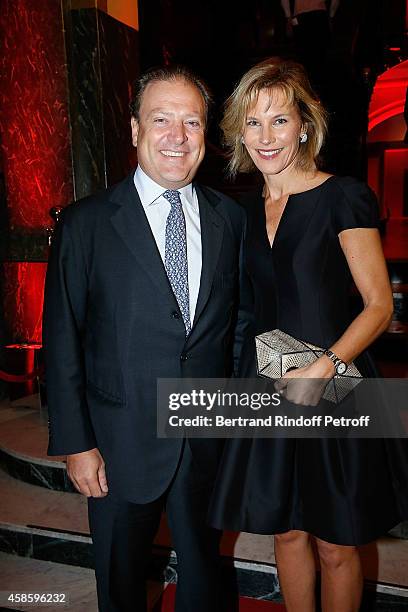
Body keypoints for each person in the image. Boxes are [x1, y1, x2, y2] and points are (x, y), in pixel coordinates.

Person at [43, 65, 250, 612]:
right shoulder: (85, 225)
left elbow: (237, 328)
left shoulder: (230, 219)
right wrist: (77, 443)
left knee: (205, 577)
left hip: (204, 439)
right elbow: (63, 338)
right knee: (122, 583)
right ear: (134, 129)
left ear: (207, 134)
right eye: (161, 120)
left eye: (192, 122)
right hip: (118, 444)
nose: (177, 137)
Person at [209, 58, 408, 612]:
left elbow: (377, 306)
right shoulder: (241, 212)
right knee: (285, 530)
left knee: (336, 541)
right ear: (237, 131)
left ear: (304, 124)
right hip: (268, 383)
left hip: (334, 382)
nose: (266, 137)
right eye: (253, 122)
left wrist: (325, 367)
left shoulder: (342, 196)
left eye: (279, 120)